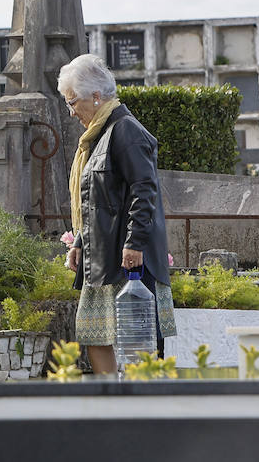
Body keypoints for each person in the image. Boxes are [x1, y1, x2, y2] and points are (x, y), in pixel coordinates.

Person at [58, 53, 176, 374]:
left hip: (126, 258)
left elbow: (144, 189)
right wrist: (80, 241)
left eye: (73, 102)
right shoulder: (98, 135)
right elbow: (94, 199)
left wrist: (135, 243)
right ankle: (114, 402)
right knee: (95, 334)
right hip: (102, 256)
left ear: (96, 97)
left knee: (138, 340)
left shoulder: (125, 131)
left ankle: (140, 410)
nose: (71, 112)